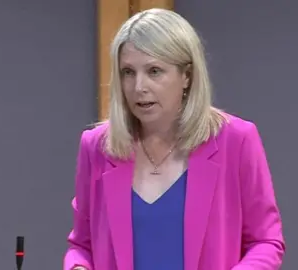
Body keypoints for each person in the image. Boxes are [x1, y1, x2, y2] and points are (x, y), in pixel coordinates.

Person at [63, 8, 285, 270]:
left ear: (187, 76)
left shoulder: (236, 140)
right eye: (128, 72)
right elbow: (82, 245)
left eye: (154, 71)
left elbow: (266, 242)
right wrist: (78, 267)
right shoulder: (97, 146)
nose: (139, 87)